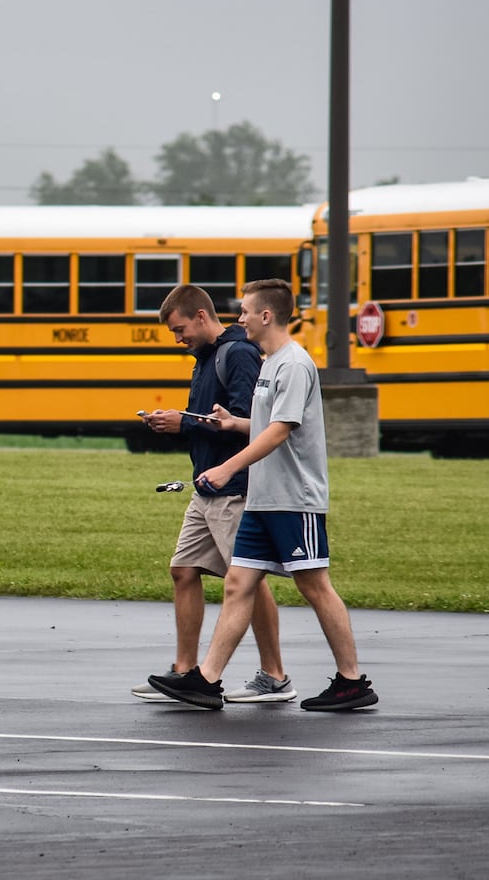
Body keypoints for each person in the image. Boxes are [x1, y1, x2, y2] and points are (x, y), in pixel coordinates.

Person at [148, 279, 377, 712]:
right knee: (238, 583)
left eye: (246, 312)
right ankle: (206, 681)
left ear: (266, 315)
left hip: (294, 498)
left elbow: (279, 431)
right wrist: (227, 423)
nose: (240, 319)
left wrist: (228, 466)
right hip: (262, 498)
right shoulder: (269, 364)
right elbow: (259, 424)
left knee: (315, 585)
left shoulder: (293, 364)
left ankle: (352, 681)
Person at [131, 285, 293, 704]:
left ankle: (275, 676)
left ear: (201, 316)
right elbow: (207, 420)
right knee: (183, 570)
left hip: (232, 487)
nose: (177, 338)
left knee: (249, 580)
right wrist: (176, 423)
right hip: (204, 486)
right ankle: (183, 672)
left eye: (180, 329)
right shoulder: (204, 358)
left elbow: (245, 420)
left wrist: (183, 423)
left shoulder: (236, 354)